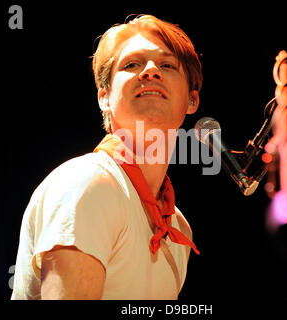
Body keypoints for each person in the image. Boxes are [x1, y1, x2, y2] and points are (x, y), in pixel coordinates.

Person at [11, 14, 203, 300]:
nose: (150, 71)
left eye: (166, 64)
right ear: (104, 97)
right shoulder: (89, 184)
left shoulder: (178, 228)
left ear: (192, 100)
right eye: (132, 64)